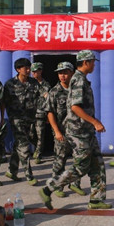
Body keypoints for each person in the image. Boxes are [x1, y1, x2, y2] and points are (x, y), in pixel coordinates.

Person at [38, 50, 112, 210]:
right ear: (86, 62)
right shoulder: (78, 80)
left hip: (86, 131)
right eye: (92, 62)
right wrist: (95, 122)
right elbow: (75, 107)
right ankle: (48, 188)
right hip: (78, 131)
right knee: (81, 166)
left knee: (97, 165)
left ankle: (96, 200)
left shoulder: (81, 79)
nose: (94, 65)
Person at [38, 62, 85, 200]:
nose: (62, 76)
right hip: (62, 133)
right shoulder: (54, 92)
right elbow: (50, 113)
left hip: (77, 131)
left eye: (65, 72)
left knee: (79, 160)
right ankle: (58, 186)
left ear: (72, 73)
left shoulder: (77, 90)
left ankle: (75, 184)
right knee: (60, 161)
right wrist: (57, 131)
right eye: (60, 73)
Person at [3, 57, 40, 185]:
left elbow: (39, 99)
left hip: (29, 119)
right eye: (26, 68)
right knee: (24, 146)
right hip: (16, 120)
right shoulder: (10, 84)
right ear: (18, 69)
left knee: (18, 145)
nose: (28, 70)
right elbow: (4, 102)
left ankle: (11, 171)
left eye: (29, 68)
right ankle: (29, 175)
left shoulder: (34, 83)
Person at [31, 62, 51, 165]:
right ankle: (37, 148)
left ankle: (38, 154)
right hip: (30, 114)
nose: (34, 73)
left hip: (41, 114)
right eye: (33, 71)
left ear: (40, 71)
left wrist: (48, 114)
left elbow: (47, 98)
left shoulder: (45, 84)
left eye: (36, 71)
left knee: (40, 135)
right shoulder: (29, 83)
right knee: (30, 134)